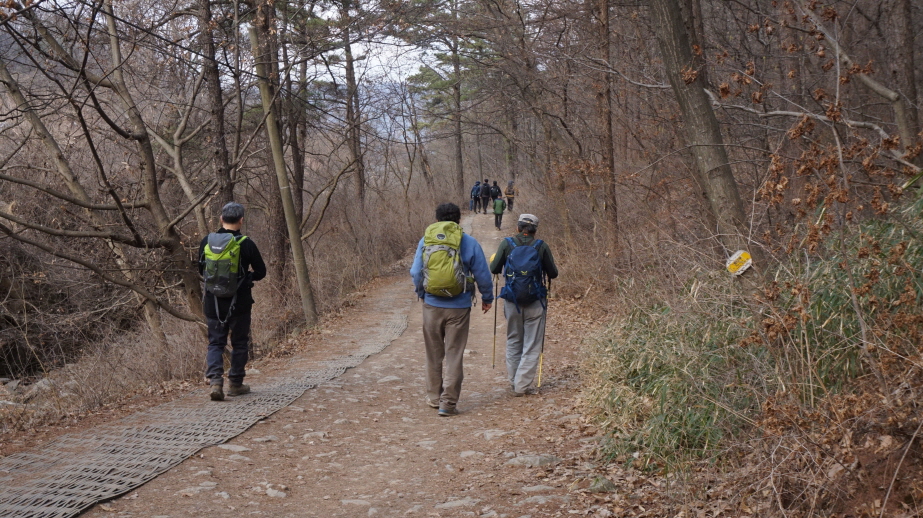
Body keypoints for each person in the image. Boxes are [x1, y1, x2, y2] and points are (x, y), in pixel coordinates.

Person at [410, 203, 493, 416]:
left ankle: (434, 398)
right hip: (459, 306)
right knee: (454, 354)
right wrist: (487, 297)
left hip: (432, 305)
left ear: (437, 219)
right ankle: (448, 403)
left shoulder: (426, 240)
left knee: (433, 354)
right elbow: (482, 273)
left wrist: (422, 293)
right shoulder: (469, 242)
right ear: (458, 220)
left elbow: (416, 272)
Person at [199, 202, 267, 401]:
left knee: (215, 343)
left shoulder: (206, 241)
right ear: (241, 220)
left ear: (221, 219)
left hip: (213, 302)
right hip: (239, 302)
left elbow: (200, 270)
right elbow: (261, 272)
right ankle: (235, 384)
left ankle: (215, 382)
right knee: (239, 343)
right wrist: (246, 279)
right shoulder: (246, 243)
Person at [489, 214, 558, 397]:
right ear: (535, 231)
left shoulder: (507, 244)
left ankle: (514, 383)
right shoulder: (541, 246)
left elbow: (494, 268)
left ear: (518, 228)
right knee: (532, 344)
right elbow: (553, 273)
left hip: (512, 301)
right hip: (536, 301)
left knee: (513, 340)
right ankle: (522, 386)